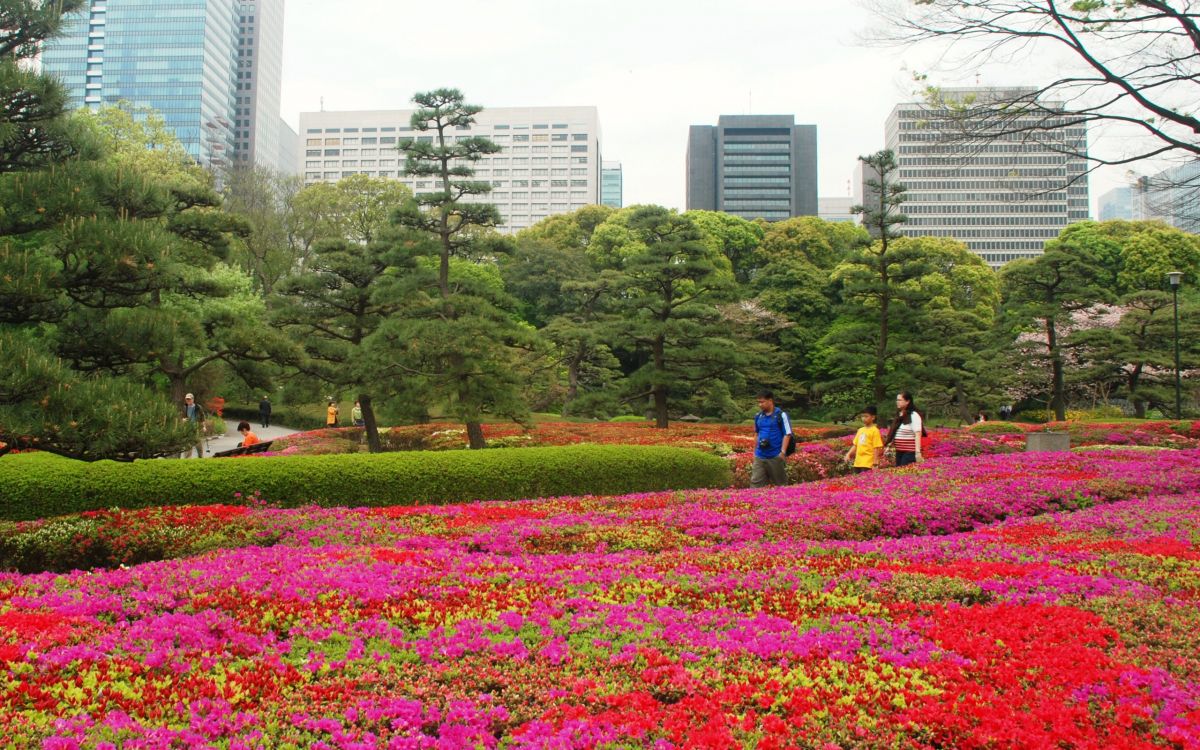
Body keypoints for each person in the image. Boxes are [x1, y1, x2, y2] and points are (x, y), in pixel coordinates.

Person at [751, 390, 793, 487]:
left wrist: (782, 452)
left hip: (775, 455)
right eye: (759, 402)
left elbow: (787, 434)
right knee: (755, 485)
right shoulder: (758, 416)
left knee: (781, 485)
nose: (760, 404)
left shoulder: (781, 415)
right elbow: (756, 433)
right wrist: (754, 452)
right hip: (760, 456)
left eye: (762, 402)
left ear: (770, 401)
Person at [885, 391, 925, 467]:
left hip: (909, 452)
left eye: (900, 400)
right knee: (898, 471)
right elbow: (895, 432)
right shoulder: (899, 415)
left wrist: (917, 452)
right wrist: (889, 445)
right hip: (899, 451)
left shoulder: (913, 415)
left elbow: (918, 433)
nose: (897, 402)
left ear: (907, 401)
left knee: (904, 471)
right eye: (897, 400)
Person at [845, 406, 884, 474]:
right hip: (857, 463)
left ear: (873, 417)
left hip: (868, 463)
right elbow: (855, 445)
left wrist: (875, 463)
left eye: (866, 416)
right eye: (862, 416)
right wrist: (848, 454)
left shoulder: (875, 431)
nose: (863, 418)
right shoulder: (860, 430)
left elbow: (876, 448)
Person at [182, 393, 207, 458]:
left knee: (198, 443)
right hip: (187, 428)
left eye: (189, 399)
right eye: (187, 399)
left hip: (196, 427)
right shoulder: (185, 407)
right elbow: (181, 417)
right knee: (188, 444)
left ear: (193, 399)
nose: (188, 400)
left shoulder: (198, 407)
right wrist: (183, 420)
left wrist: (204, 426)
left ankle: (200, 457)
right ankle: (187, 459)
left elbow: (202, 417)